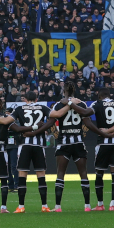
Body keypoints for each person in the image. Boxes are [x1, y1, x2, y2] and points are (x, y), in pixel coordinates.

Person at [48, 84, 97, 212]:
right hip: (78, 143)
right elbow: (88, 122)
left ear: (64, 91)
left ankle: (58, 207)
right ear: (74, 91)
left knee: (60, 174)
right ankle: (87, 206)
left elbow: (53, 115)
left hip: (63, 143)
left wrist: (67, 103)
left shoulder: (59, 105)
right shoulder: (81, 104)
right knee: (83, 173)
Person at [6, 90, 53, 212]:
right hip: (39, 145)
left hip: (24, 145)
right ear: (36, 99)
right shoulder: (43, 107)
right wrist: (41, 128)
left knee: (22, 175)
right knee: (41, 175)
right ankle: (45, 206)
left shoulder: (19, 109)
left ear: (25, 99)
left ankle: (21, 206)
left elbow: (10, 122)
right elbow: (54, 117)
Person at [91, 86, 114, 211]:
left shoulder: (97, 104)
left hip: (102, 144)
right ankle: (113, 204)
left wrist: (104, 131)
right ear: (109, 95)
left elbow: (86, 114)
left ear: (99, 95)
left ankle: (100, 204)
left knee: (99, 174)